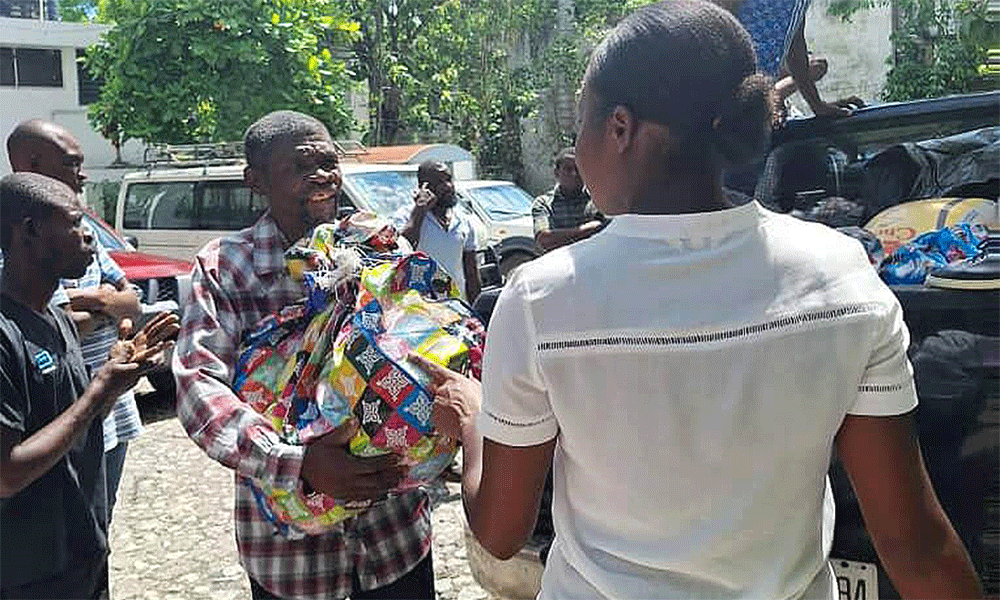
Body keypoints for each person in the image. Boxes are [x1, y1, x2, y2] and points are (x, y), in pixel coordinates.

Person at [415, 2, 983, 598]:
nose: (576, 153)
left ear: (619, 128)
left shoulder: (542, 299)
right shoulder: (841, 278)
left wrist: (473, 416)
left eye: (577, 128)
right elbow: (916, 545)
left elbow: (501, 533)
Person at [173, 110, 436, 600]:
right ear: (256, 182)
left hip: (395, 540)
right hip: (293, 565)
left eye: (329, 162)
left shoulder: (375, 246)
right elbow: (196, 387)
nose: (322, 176)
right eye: (301, 166)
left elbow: (428, 337)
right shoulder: (228, 267)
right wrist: (295, 463)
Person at [0, 172, 177, 599]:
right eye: (75, 224)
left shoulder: (54, 316)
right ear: (30, 232)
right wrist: (101, 388)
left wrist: (114, 380)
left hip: (84, 552)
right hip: (28, 575)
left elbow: (69, 418)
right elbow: (6, 472)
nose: (89, 238)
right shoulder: (5, 334)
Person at [7, 119, 144, 521]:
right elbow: (45, 318)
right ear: (32, 162)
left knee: (99, 522)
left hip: (105, 413)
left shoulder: (79, 232)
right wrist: (101, 302)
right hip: (53, 426)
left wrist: (94, 302)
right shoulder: (12, 235)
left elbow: (130, 302)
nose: (82, 174)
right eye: (71, 163)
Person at [714, 0, 863, 118]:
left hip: (752, 103)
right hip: (722, 94)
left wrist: (817, 105)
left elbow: (795, 42)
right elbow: (717, 15)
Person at [399, 161, 481, 302]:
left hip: (456, 308)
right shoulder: (407, 216)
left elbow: (471, 274)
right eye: (440, 182)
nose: (448, 186)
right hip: (419, 309)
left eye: (449, 179)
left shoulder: (464, 221)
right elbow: (401, 249)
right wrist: (420, 210)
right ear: (424, 187)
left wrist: (479, 311)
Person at [531, 147, 605, 252]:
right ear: (556, 173)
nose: (574, 174)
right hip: (557, 264)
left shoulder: (596, 200)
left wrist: (560, 236)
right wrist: (587, 229)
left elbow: (606, 234)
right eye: (568, 169)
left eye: (578, 169)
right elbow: (544, 240)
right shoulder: (544, 203)